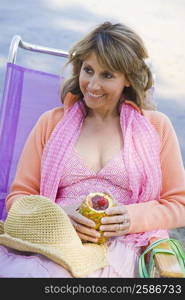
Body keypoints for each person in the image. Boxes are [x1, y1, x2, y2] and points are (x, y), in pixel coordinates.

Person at [0, 21, 185, 278]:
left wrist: (131, 218)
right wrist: (56, 214)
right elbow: (18, 198)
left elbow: (179, 204)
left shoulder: (156, 127)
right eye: (88, 70)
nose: (92, 85)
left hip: (120, 246)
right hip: (54, 241)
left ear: (128, 80)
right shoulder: (51, 123)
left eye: (107, 75)